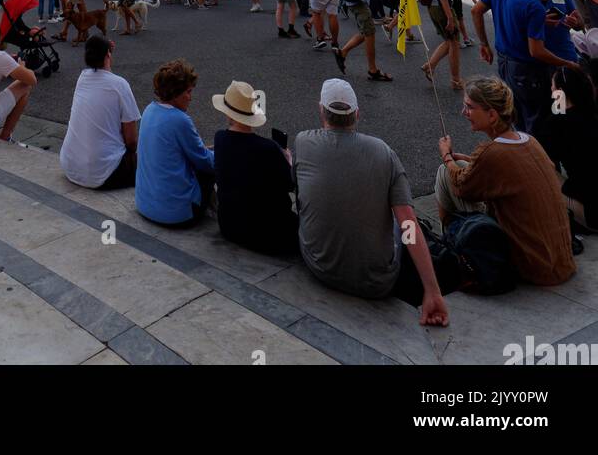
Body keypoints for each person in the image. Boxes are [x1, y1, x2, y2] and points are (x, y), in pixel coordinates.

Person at [293, 79, 449, 325]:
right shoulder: (383, 152)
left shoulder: (302, 142)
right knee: (405, 220)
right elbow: (408, 224)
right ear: (357, 114)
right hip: (376, 282)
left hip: (318, 266)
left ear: (321, 110)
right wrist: (432, 290)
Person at [436, 77, 576, 286]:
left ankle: (452, 248)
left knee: (444, 174)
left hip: (532, 265)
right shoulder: (529, 140)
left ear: (492, 115)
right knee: (459, 169)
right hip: (561, 260)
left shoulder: (491, 152)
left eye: (469, 107)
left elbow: (460, 186)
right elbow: (503, 168)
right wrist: (469, 161)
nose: (464, 113)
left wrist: (446, 155)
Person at [471, 0, 577, 141]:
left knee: (517, 111)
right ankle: (541, 157)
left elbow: (476, 10)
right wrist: (568, 64)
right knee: (540, 117)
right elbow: (537, 51)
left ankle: (522, 146)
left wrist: (484, 43)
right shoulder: (533, 6)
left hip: (505, 63)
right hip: (528, 71)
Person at [212, 79, 298, 255]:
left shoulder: (219, 139)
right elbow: (290, 184)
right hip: (270, 236)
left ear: (229, 114)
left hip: (229, 225)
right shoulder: (268, 148)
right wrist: (288, 160)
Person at [135, 59, 215, 227]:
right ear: (175, 92)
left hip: (145, 204)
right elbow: (205, 162)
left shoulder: (149, 110)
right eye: (188, 92)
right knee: (212, 167)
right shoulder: (180, 120)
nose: (190, 97)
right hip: (176, 214)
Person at [60, 34, 141, 188]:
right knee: (149, 156)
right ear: (108, 55)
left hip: (70, 166)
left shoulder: (82, 78)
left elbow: (101, 73)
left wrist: (104, 50)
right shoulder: (120, 85)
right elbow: (131, 141)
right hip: (103, 173)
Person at [550, 65, 598, 234]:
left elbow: (545, 162)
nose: (551, 92)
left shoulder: (557, 125)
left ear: (561, 92)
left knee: (542, 169)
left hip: (591, 215)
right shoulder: (591, 113)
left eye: (553, 87)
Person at [420, 0, 463, 91]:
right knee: (454, 43)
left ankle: (429, 66)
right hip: (441, 9)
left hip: (433, 8)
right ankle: (456, 80)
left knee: (449, 40)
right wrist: (450, 18)